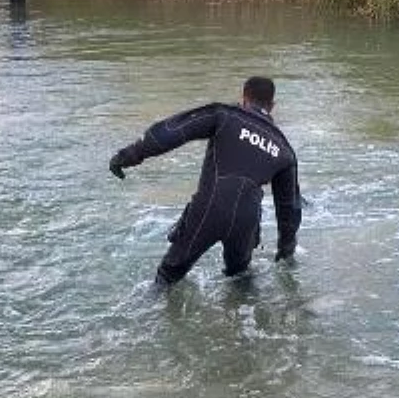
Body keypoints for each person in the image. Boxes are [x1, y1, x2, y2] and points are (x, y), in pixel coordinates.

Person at [107, 76, 301, 287]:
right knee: (240, 280)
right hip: (247, 220)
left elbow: (170, 133)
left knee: (168, 278)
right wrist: (285, 253)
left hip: (209, 209)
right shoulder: (284, 150)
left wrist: (127, 156)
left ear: (244, 97)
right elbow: (288, 210)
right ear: (272, 106)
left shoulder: (224, 115)